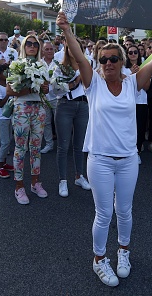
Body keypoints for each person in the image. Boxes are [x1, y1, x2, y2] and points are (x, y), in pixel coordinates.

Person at [57, 11, 152, 288]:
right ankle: (99, 259)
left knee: (125, 211)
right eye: (103, 59)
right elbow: (79, 57)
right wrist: (67, 30)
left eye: (113, 58)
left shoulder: (132, 83)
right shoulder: (93, 85)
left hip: (128, 159)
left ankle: (123, 253)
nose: (108, 63)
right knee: (104, 214)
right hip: (100, 160)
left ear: (122, 62)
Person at [7, 36, 49, 205]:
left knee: (36, 147)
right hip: (22, 108)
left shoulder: (43, 65)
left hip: (38, 108)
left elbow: (45, 89)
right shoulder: (16, 65)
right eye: (29, 44)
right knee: (20, 147)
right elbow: (10, 91)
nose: (32, 46)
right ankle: (19, 186)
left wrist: (45, 88)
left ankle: (35, 183)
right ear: (24, 46)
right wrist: (29, 89)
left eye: (35, 44)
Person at [54, 40, 91, 197]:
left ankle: (79, 176)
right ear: (67, 49)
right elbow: (55, 89)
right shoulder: (60, 67)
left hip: (83, 106)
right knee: (63, 145)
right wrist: (74, 82)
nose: (76, 50)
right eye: (72, 47)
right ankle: (63, 180)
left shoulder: (86, 64)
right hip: (65, 105)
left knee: (80, 144)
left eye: (79, 47)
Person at [124, 45, 150, 162]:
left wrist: (139, 74)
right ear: (127, 54)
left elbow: (146, 87)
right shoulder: (122, 69)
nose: (133, 54)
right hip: (127, 102)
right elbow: (121, 86)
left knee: (140, 129)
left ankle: (137, 151)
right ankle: (127, 151)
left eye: (135, 52)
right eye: (130, 52)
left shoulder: (144, 68)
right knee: (127, 129)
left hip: (141, 102)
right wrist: (131, 75)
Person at [0, 65, 15, 178]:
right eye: (4, 71)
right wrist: (9, 93)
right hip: (2, 117)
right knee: (5, 142)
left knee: (9, 140)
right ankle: (0, 166)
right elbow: (0, 104)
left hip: (9, 116)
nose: (7, 73)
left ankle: (4, 163)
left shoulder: (8, 84)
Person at [40, 41, 57, 154]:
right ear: (43, 51)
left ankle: (61, 145)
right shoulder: (39, 63)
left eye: (51, 49)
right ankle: (49, 144)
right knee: (46, 122)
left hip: (56, 97)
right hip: (43, 98)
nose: (49, 51)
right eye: (47, 49)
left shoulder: (58, 63)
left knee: (58, 122)